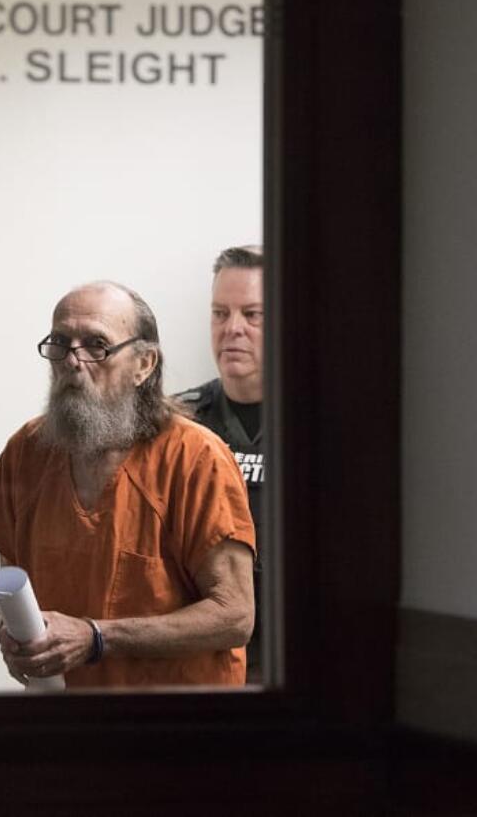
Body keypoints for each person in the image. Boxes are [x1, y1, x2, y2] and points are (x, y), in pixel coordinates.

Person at [0, 281, 256, 688]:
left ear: (144, 364)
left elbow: (234, 616)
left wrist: (97, 638)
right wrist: (11, 633)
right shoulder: (26, 452)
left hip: (181, 729)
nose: (73, 360)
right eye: (60, 342)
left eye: (96, 345)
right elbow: (10, 584)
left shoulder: (197, 459)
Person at [175, 245, 266, 677]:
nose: (233, 329)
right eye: (219, 313)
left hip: (297, 666)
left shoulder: (322, 426)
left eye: (254, 315)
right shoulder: (178, 424)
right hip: (202, 667)